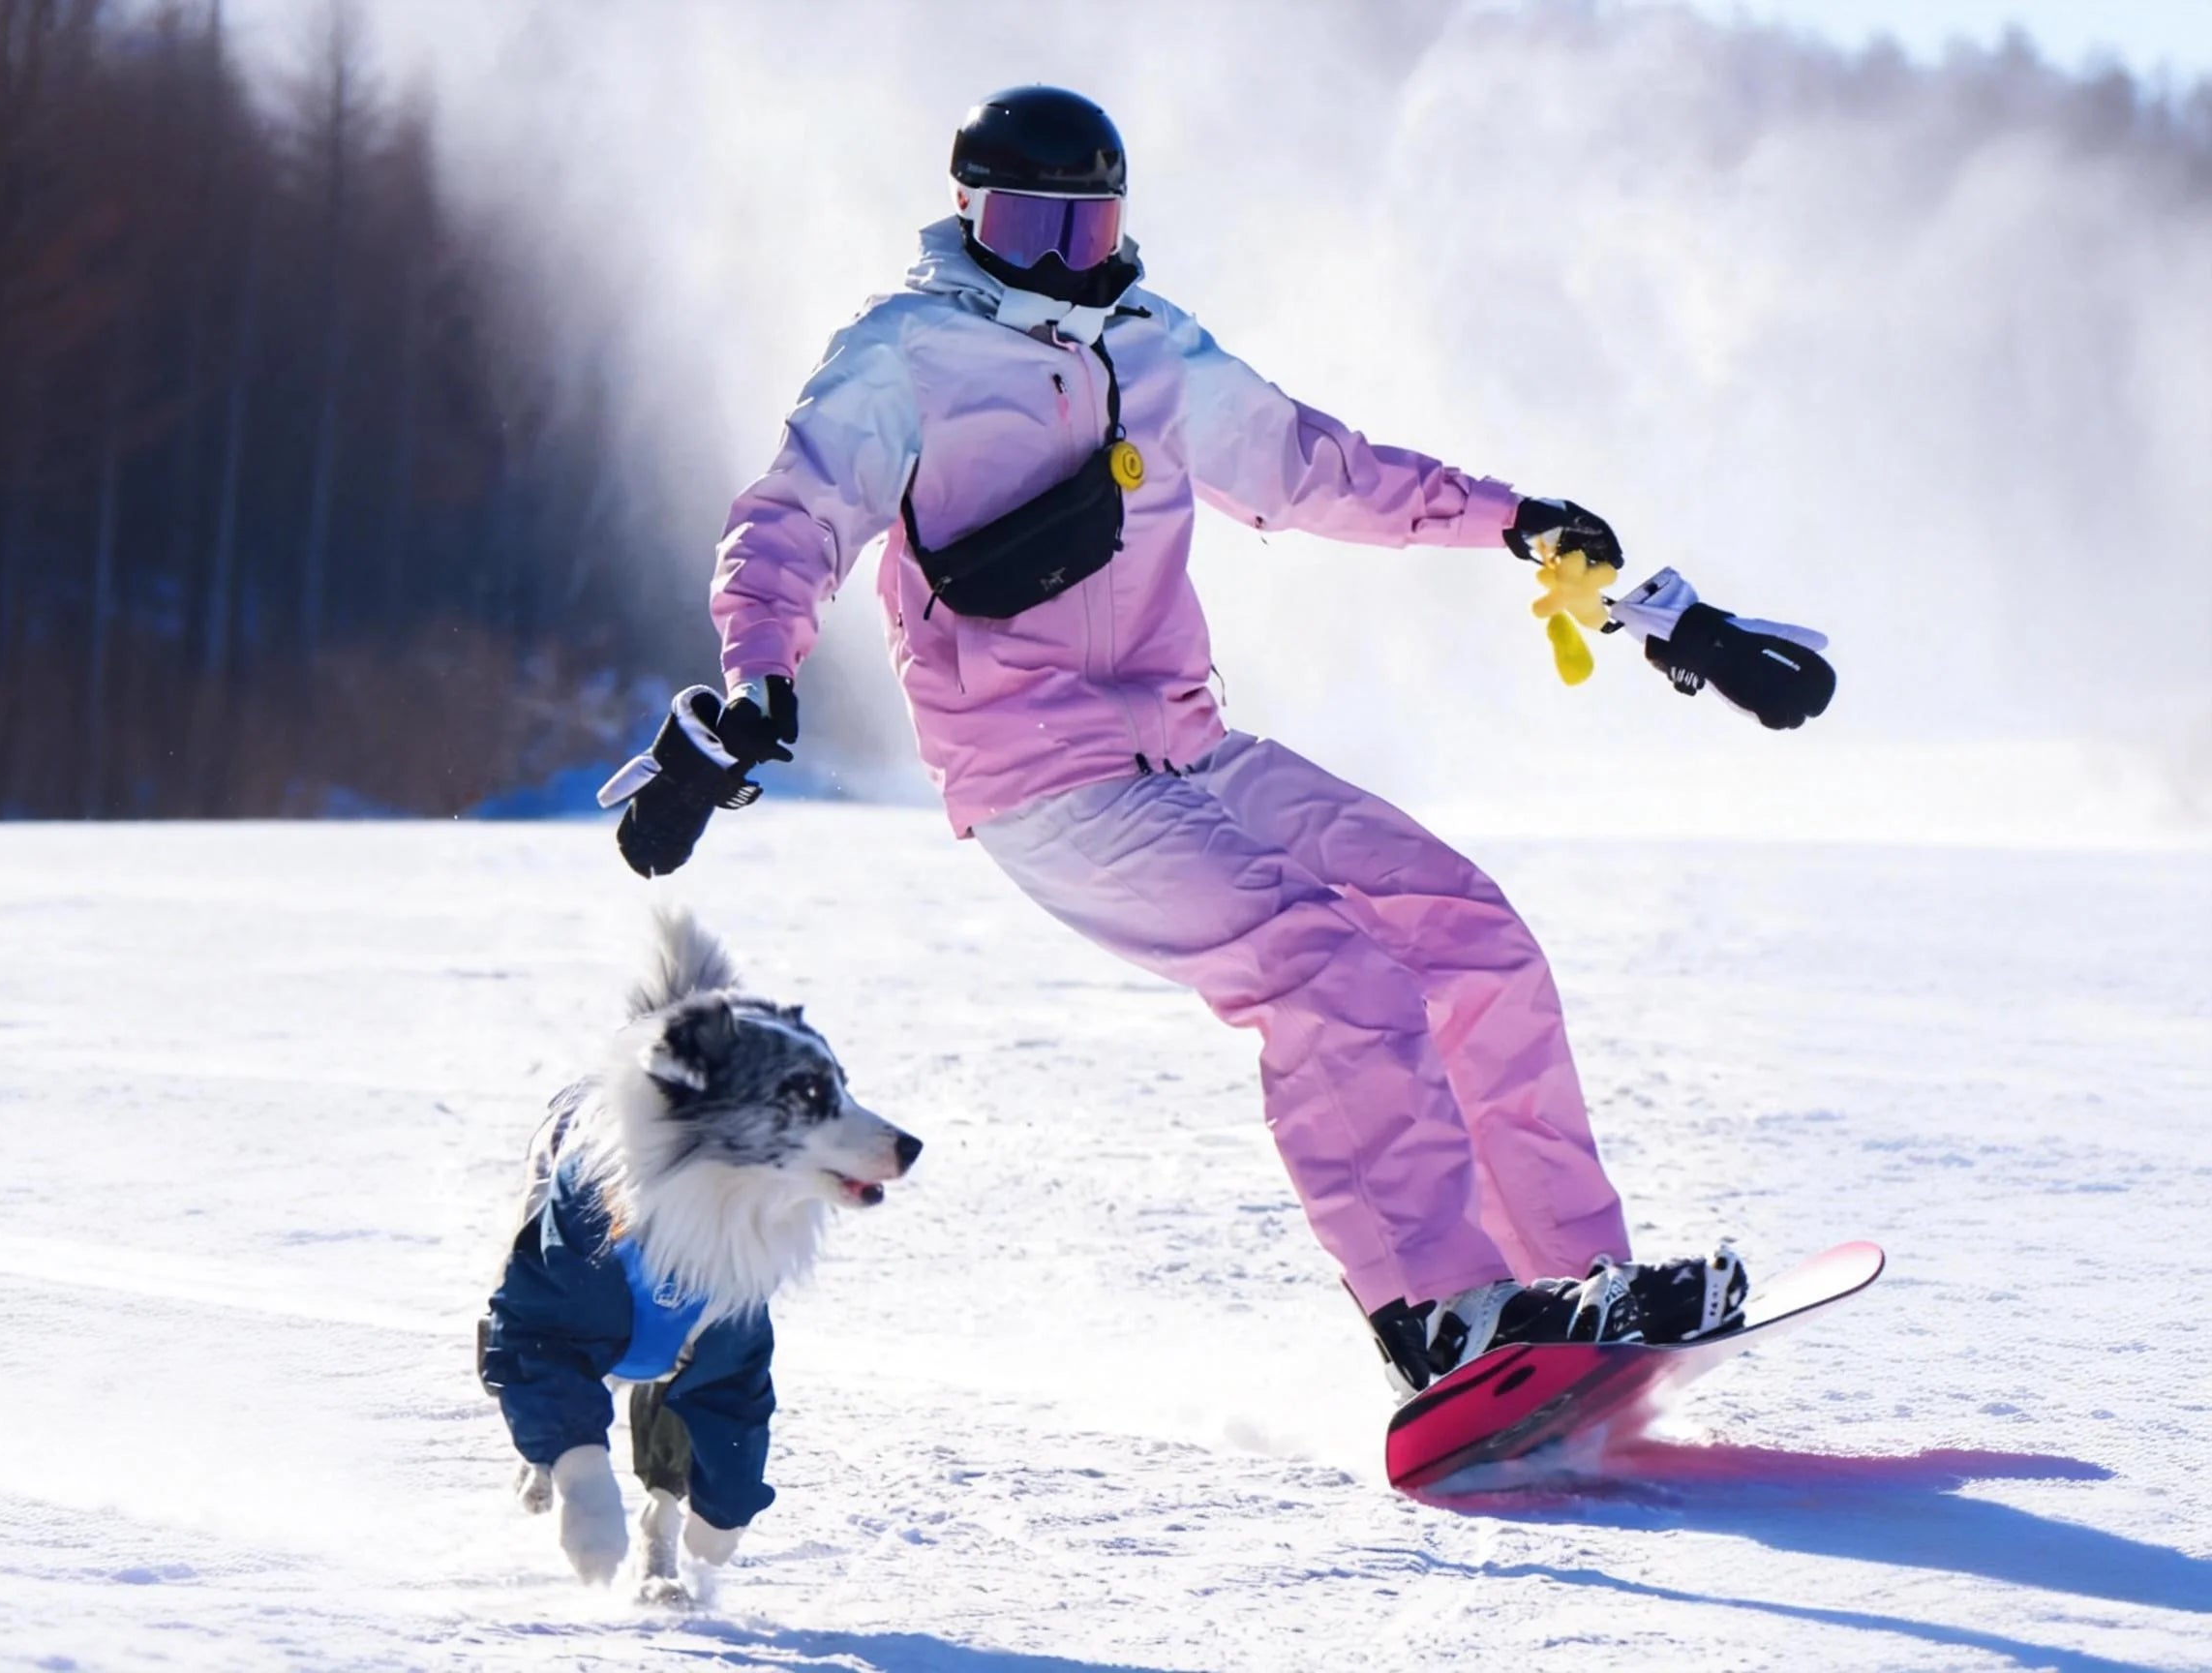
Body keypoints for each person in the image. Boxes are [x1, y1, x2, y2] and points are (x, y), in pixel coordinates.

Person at [601, 86, 1834, 1396]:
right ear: (966, 211)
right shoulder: (904, 356)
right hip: (1041, 775)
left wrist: (1511, 517)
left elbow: (1317, 468)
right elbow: (787, 522)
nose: (1056, 260)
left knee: (1473, 933)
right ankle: (1439, 1312)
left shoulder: (1154, 347)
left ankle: (1579, 1286)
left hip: (1191, 745)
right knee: (1326, 969)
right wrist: (760, 670)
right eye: (1025, 226)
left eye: (1084, 231)